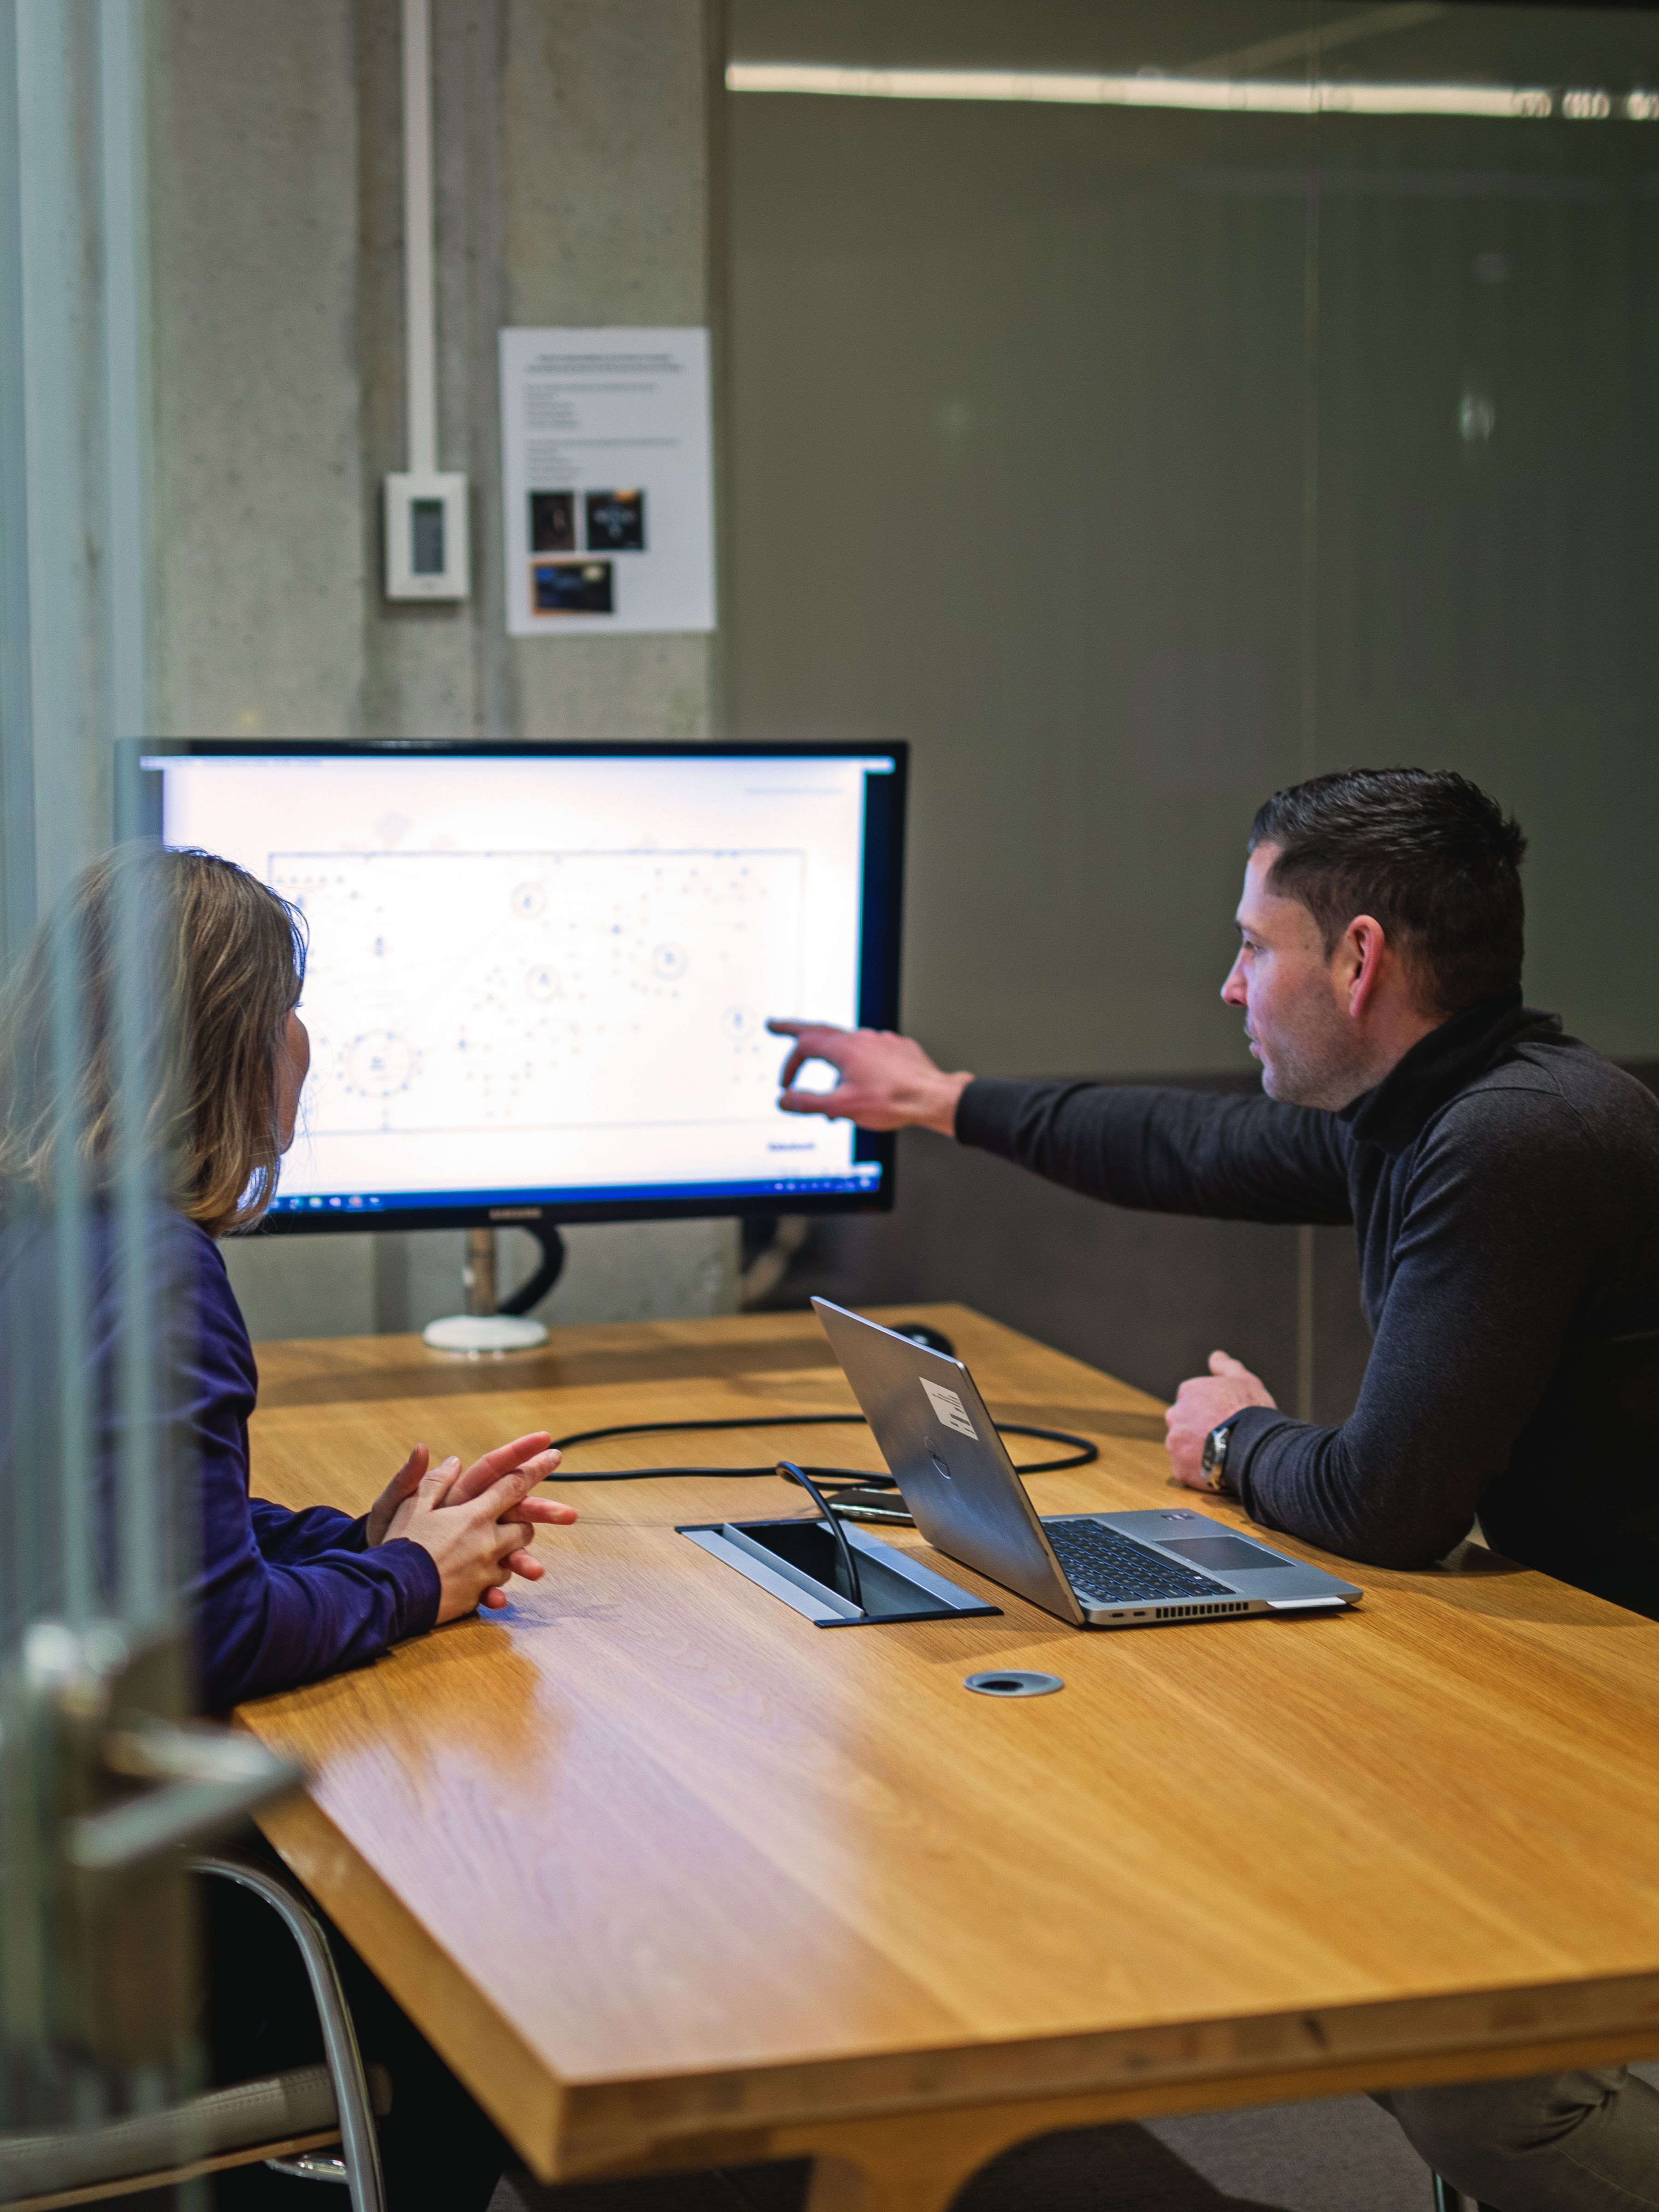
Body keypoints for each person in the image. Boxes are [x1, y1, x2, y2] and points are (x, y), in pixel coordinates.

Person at [768, 766, 1659, 2212]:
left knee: (1477, 2082)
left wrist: (1234, 1440)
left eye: (1255, 945)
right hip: (1586, 1648)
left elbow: (1387, 1505)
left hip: (1623, 1689)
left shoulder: (1516, 1139)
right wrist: (940, 1099)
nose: (1228, 984)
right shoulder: (1436, 1108)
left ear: (1358, 960)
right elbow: (1187, 1145)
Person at [0, 846, 577, 2206]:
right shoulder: (156, 1267)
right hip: (92, 1967)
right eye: (289, 1011)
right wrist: (401, 1588)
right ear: (242, 1049)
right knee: (474, 1961)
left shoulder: (38, 1230)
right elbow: (197, 1636)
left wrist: (354, 1541)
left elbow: (100, 1522)